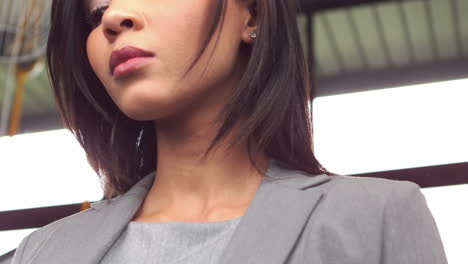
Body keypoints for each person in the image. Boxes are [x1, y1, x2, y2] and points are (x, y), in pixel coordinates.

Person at [11, 0, 447, 263]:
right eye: (96, 12)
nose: (115, 17)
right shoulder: (41, 253)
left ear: (251, 13)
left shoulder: (376, 217)